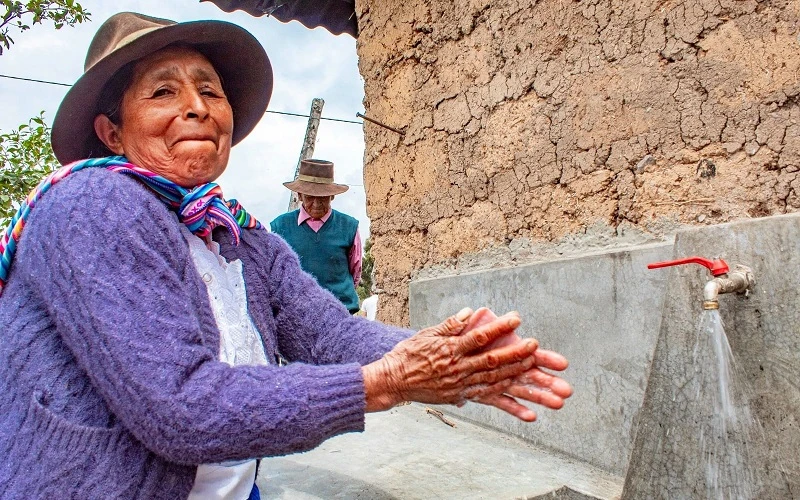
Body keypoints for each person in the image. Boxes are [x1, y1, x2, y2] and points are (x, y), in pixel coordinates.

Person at [0, 12, 573, 500]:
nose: (197, 107)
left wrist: (453, 353)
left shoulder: (241, 236)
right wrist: (389, 381)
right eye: (163, 91)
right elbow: (183, 408)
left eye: (211, 90)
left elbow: (331, 336)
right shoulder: (89, 204)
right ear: (111, 132)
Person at [270, 159, 362, 313]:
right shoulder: (280, 227)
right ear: (299, 195)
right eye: (310, 197)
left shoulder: (348, 226)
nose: (317, 203)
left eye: (323, 197)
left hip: (340, 313)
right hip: (295, 314)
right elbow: (275, 273)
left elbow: (356, 272)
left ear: (332, 196)